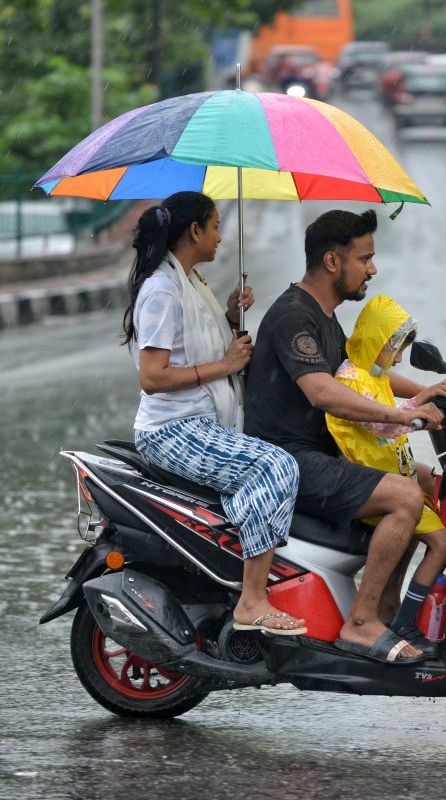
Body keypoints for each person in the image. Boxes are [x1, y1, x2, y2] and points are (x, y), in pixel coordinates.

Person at [244, 209, 446, 664]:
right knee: (404, 498)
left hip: (323, 451)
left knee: (422, 481)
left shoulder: (325, 317)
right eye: (366, 259)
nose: (373, 270)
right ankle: (361, 623)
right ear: (332, 261)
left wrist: (430, 392)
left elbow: (361, 376)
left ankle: (387, 607)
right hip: (290, 459)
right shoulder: (293, 316)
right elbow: (323, 392)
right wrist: (401, 417)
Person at [126, 192, 305, 635]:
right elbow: (152, 376)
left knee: (277, 454)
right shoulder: (162, 290)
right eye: (216, 226)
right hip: (171, 429)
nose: (222, 237)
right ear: (195, 231)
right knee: (276, 466)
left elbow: (197, 343)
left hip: (202, 420)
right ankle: (252, 600)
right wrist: (225, 366)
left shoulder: (191, 281)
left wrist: (229, 314)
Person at [325, 294, 446, 657]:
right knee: (445, 542)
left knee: (436, 481)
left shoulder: (373, 373)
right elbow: (381, 422)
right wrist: (420, 405)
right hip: (370, 481)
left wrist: (432, 395)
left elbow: (392, 403)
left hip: (391, 469)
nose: (398, 358)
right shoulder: (351, 381)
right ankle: (404, 624)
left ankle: (391, 607)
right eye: (395, 349)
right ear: (378, 342)